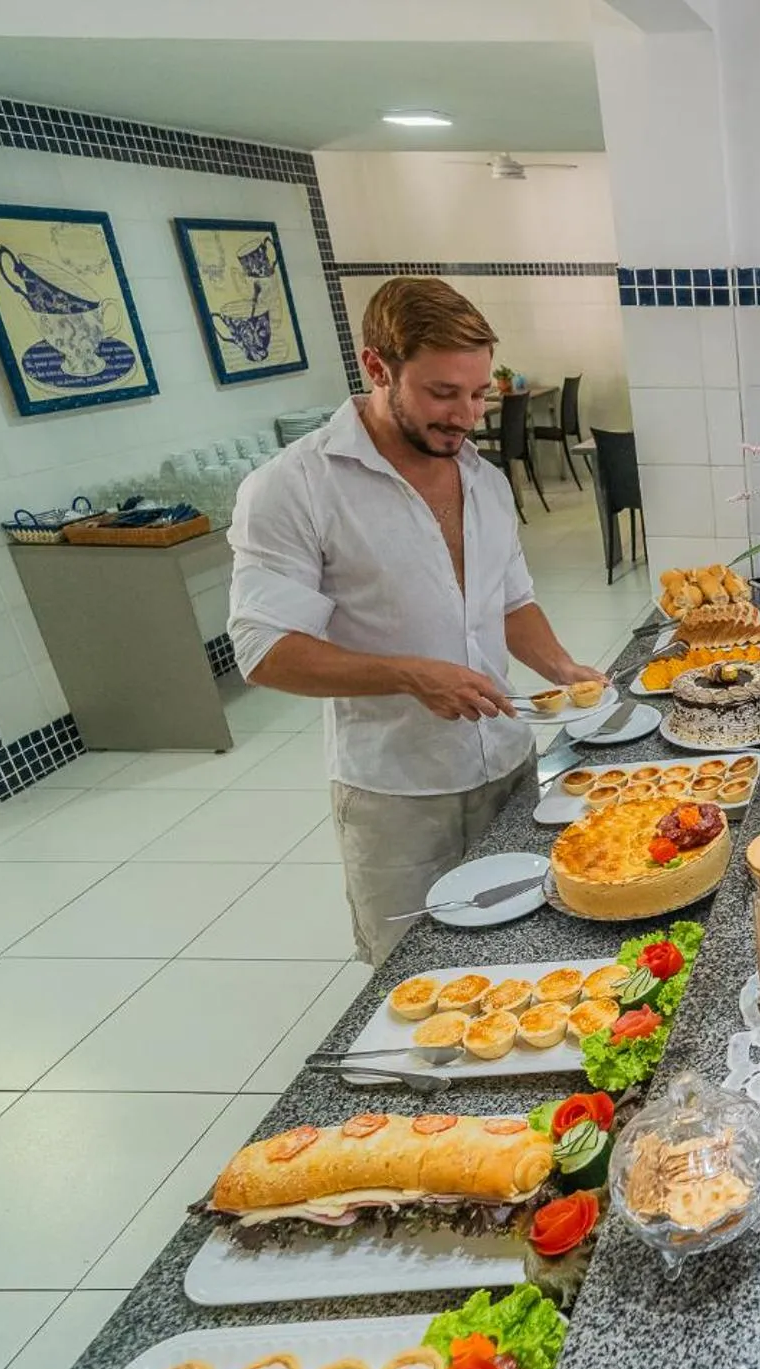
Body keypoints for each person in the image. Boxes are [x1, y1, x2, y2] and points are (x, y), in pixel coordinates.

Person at [227, 278, 606, 966]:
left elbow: (511, 600)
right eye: (441, 393)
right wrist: (408, 676)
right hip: (397, 792)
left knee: (526, 950)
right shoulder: (295, 488)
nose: (465, 416)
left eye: (477, 392)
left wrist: (562, 669)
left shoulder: (484, 480)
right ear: (377, 368)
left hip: (509, 767)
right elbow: (263, 650)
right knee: (415, 968)